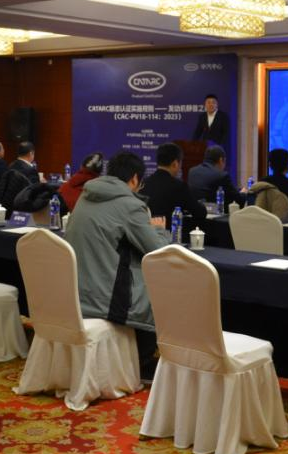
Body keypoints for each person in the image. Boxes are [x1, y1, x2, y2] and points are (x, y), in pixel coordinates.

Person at [64, 151, 169, 377]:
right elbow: (157, 250)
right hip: (106, 297)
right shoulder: (129, 204)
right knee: (156, 285)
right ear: (134, 179)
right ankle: (142, 360)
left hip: (76, 292)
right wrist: (160, 230)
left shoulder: (85, 196)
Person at [141, 142, 207, 230]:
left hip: (145, 234)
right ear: (175, 163)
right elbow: (200, 213)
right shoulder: (179, 186)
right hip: (171, 235)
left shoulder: (143, 183)